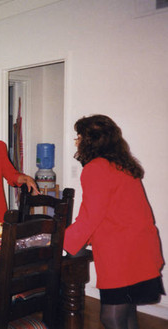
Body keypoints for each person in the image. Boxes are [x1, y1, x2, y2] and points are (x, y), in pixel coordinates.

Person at [64, 115, 164, 329]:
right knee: (127, 312)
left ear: (91, 140)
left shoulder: (96, 168)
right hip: (141, 247)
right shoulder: (121, 165)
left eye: (79, 136)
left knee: (111, 317)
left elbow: (90, 217)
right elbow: (107, 212)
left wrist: (60, 242)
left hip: (122, 253)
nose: (77, 141)